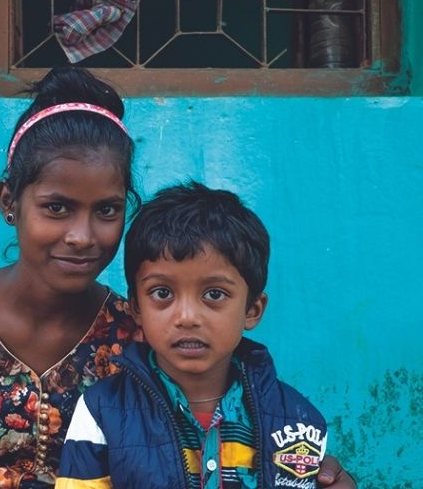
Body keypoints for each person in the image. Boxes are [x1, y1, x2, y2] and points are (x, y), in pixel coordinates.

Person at [0, 67, 356, 489]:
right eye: (56, 208)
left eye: (106, 210)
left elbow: (215, 432)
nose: (82, 236)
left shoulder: (141, 332)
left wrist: (294, 468)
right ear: (9, 201)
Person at [55, 181, 328, 488]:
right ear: (136, 307)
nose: (187, 317)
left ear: (252, 309)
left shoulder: (297, 423)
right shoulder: (102, 412)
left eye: (214, 294)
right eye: (162, 293)